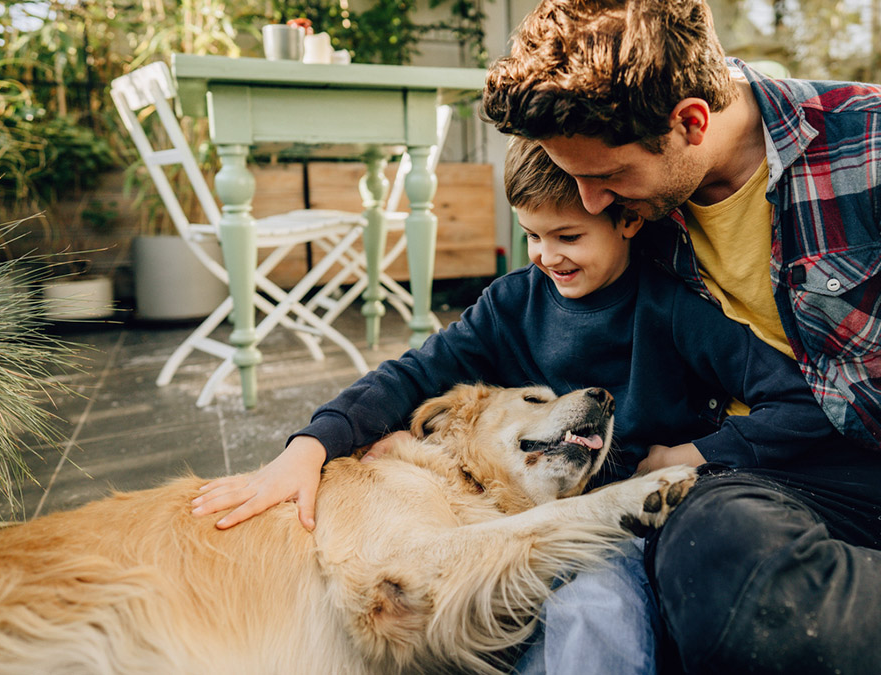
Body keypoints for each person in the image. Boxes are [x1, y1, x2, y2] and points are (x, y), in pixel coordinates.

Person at [481, 0, 881, 673]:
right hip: (790, 483)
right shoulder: (630, 208)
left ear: (690, 121)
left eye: (607, 177)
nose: (591, 203)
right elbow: (494, 324)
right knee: (716, 567)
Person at [191, 136, 848, 672]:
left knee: (595, 609)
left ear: (623, 216)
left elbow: (802, 402)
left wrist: (695, 451)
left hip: (625, 524)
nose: (545, 257)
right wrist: (315, 442)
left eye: (566, 236)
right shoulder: (513, 303)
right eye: (532, 236)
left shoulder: (676, 311)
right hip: (509, 515)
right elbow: (410, 374)